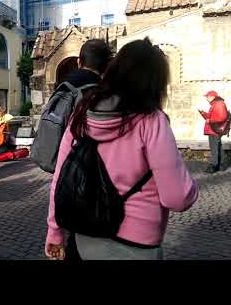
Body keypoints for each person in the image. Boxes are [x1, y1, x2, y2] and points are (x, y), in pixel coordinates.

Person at [45, 37, 199, 261]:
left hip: (85, 237)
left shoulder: (82, 113)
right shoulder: (152, 121)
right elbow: (178, 198)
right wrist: (192, 187)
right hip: (137, 245)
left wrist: (54, 233)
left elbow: (60, 181)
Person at [198, 90, 229, 173]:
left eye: (207, 97)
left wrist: (210, 121)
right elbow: (210, 117)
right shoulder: (216, 104)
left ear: (213, 97)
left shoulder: (219, 104)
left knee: (214, 148)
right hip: (214, 129)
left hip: (214, 129)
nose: (206, 99)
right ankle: (222, 165)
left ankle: (214, 166)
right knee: (218, 147)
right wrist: (203, 113)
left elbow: (222, 117)